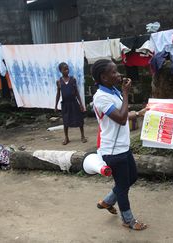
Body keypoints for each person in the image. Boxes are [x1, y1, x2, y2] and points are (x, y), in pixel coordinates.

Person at [91, 59, 149, 231]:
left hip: (123, 146)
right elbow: (121, 118)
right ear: (104, 77)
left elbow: (123, 114)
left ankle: (107, 201)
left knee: (132, 178)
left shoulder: (113, 91)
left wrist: (139, 113)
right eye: (114, 72)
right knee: (123, 187)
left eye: (117, 71)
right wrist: (125, 93)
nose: (118, 75)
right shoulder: (101, 97)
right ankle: (128, 220)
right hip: (112, 150)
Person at [54, 62, 87, 145]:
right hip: (65, 104)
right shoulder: (59, 82)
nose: (67, 70)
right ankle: (66, 138)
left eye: (67, 68)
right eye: (64, 69)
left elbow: (77, 92)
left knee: (79, 119)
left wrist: (81, 104)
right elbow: (58, 94)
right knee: (65, 121)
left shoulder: (73, 79)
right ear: (60, 71)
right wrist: (55, 105)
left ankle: (82, 136)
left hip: (74, 102)